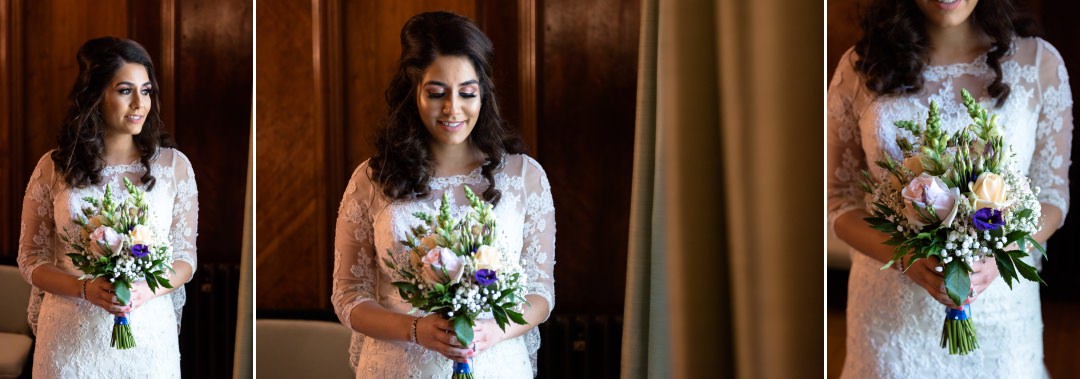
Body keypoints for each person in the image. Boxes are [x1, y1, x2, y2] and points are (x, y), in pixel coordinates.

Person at [827, 0, 1072, 377]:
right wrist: (905, 257)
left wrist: (1001, 253)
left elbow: (1052, 196)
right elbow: (838, 201)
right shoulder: (860, 68)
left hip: (1002, 319)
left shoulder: (1039, 64)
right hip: (888, 324)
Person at [331, 11, 556, 378]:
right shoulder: (372, 179)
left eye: (466, 93)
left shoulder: (524, 176)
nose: (453, 109)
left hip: (494, 364)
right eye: (437, 93)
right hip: (399, 366)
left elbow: (540, 293)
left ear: (482, 94)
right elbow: (349, 296)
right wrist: (416, 331)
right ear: (413, 92)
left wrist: (491, 331)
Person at [16, 37, 199, 378]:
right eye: (125, 90)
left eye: (146, 91)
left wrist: (148, 289)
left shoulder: (174, 168)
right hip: (70, 340)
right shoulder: (54, 168)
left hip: (147, 340)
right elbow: (30, 259)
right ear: (96, 96)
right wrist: (84, 289)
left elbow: (186, 258)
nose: (139, 104)